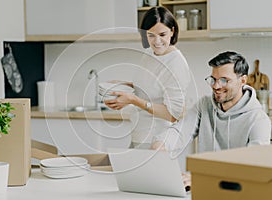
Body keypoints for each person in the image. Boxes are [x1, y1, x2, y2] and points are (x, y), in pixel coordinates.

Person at [151, 51, 271, 188]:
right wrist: (161, 144)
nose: (216, 86)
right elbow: (179, 132)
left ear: (243, 80)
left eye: (224, 80)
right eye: (213, 79)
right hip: (204, 188)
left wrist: (203, 178)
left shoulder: (259, 120)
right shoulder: (204, 105)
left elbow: (254, 167)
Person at [104, 6, 192, 149]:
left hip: (158, 140)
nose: (157, 42)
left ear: (172, 31)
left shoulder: (176, 63)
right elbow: (149, 86)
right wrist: (125, 86)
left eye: (162, 34)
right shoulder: (150, 54)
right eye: (151, 35)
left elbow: (173, 115)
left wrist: (132, 99)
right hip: (139, 133)